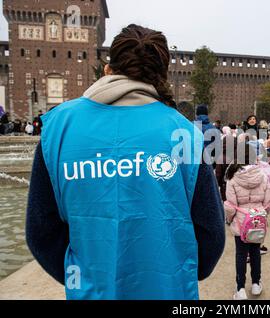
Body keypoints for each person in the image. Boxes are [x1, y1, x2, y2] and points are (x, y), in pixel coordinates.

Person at [26, 24, 225, 300]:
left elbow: (41, 232)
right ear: (161, 76)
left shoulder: (58, 128)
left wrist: (85, 276)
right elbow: (211, 235)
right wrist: (179, 270)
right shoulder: (185, 135)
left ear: (109, 69)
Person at [224, 142, 270, 300]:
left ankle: (240, 289)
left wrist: (230, 220)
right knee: (255, 253)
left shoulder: (232, 178)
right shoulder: (263, 175)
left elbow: (230, 206)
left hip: (241, 222)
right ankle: (256, 284)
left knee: (240, 255)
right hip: (257, 220)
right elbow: (268, 201)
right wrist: (262, 214)